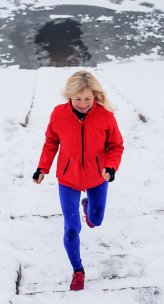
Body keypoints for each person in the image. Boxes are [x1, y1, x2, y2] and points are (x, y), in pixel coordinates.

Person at [32, 70, 124, 291]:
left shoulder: (106, 115)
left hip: (97, 176)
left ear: (95, 96)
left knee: (96, 219)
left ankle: (88, 207)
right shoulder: (58, 114)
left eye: (88, 99)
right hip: (68, 178)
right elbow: (51, 142)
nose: (83, 104)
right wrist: (42, 167)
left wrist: (110, 166)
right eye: (77, 99)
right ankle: (78, 270)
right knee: (72, 229)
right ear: (69, 96)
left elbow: (116, 146)